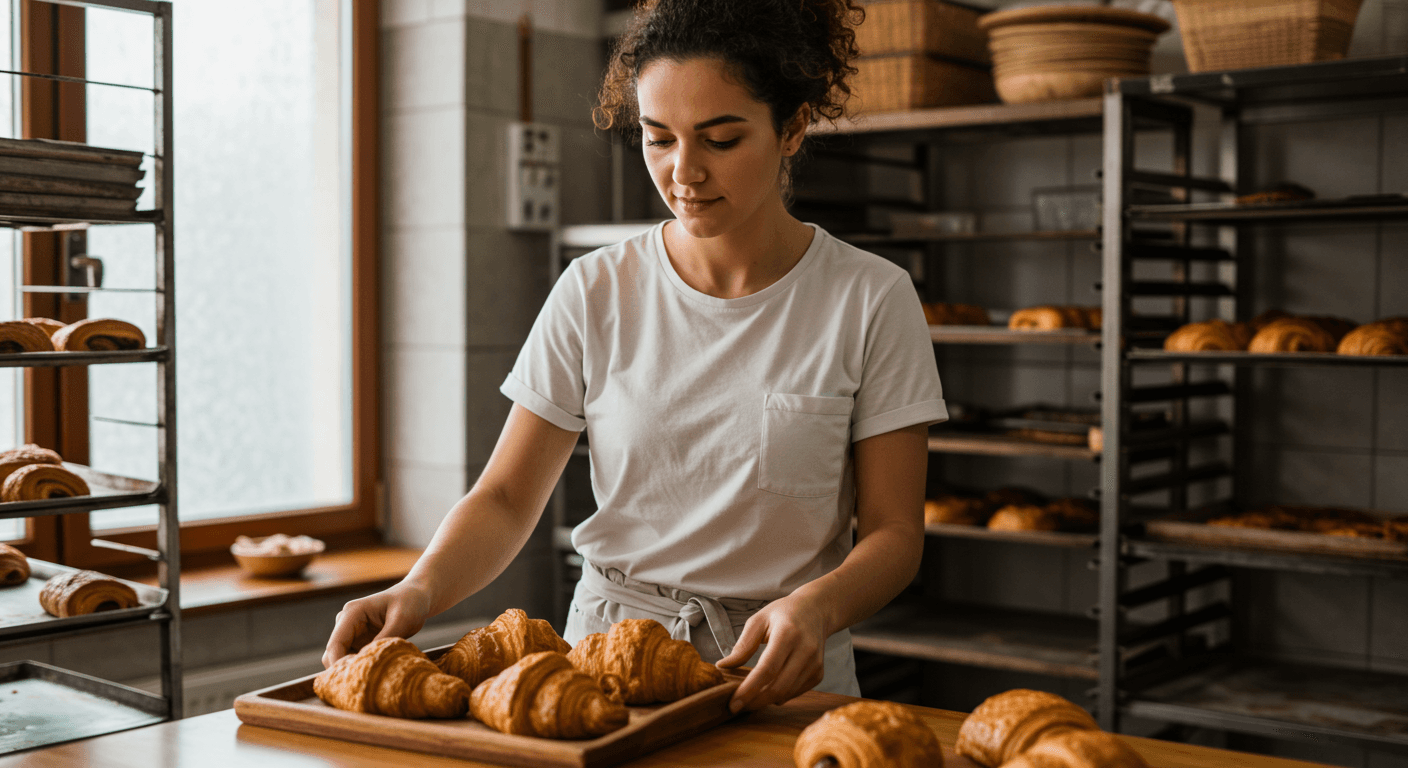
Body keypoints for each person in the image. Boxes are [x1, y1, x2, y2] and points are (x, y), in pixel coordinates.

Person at [323, 0, 946, 714]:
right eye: (658, 139)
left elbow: (897, 534)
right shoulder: (595, 289)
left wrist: (819, 607)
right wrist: (419, 587)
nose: (685, 171)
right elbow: (505, 497)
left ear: (793, 127)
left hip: (781, 673)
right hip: (604, 668)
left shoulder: (869, 298)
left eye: (720, 139)